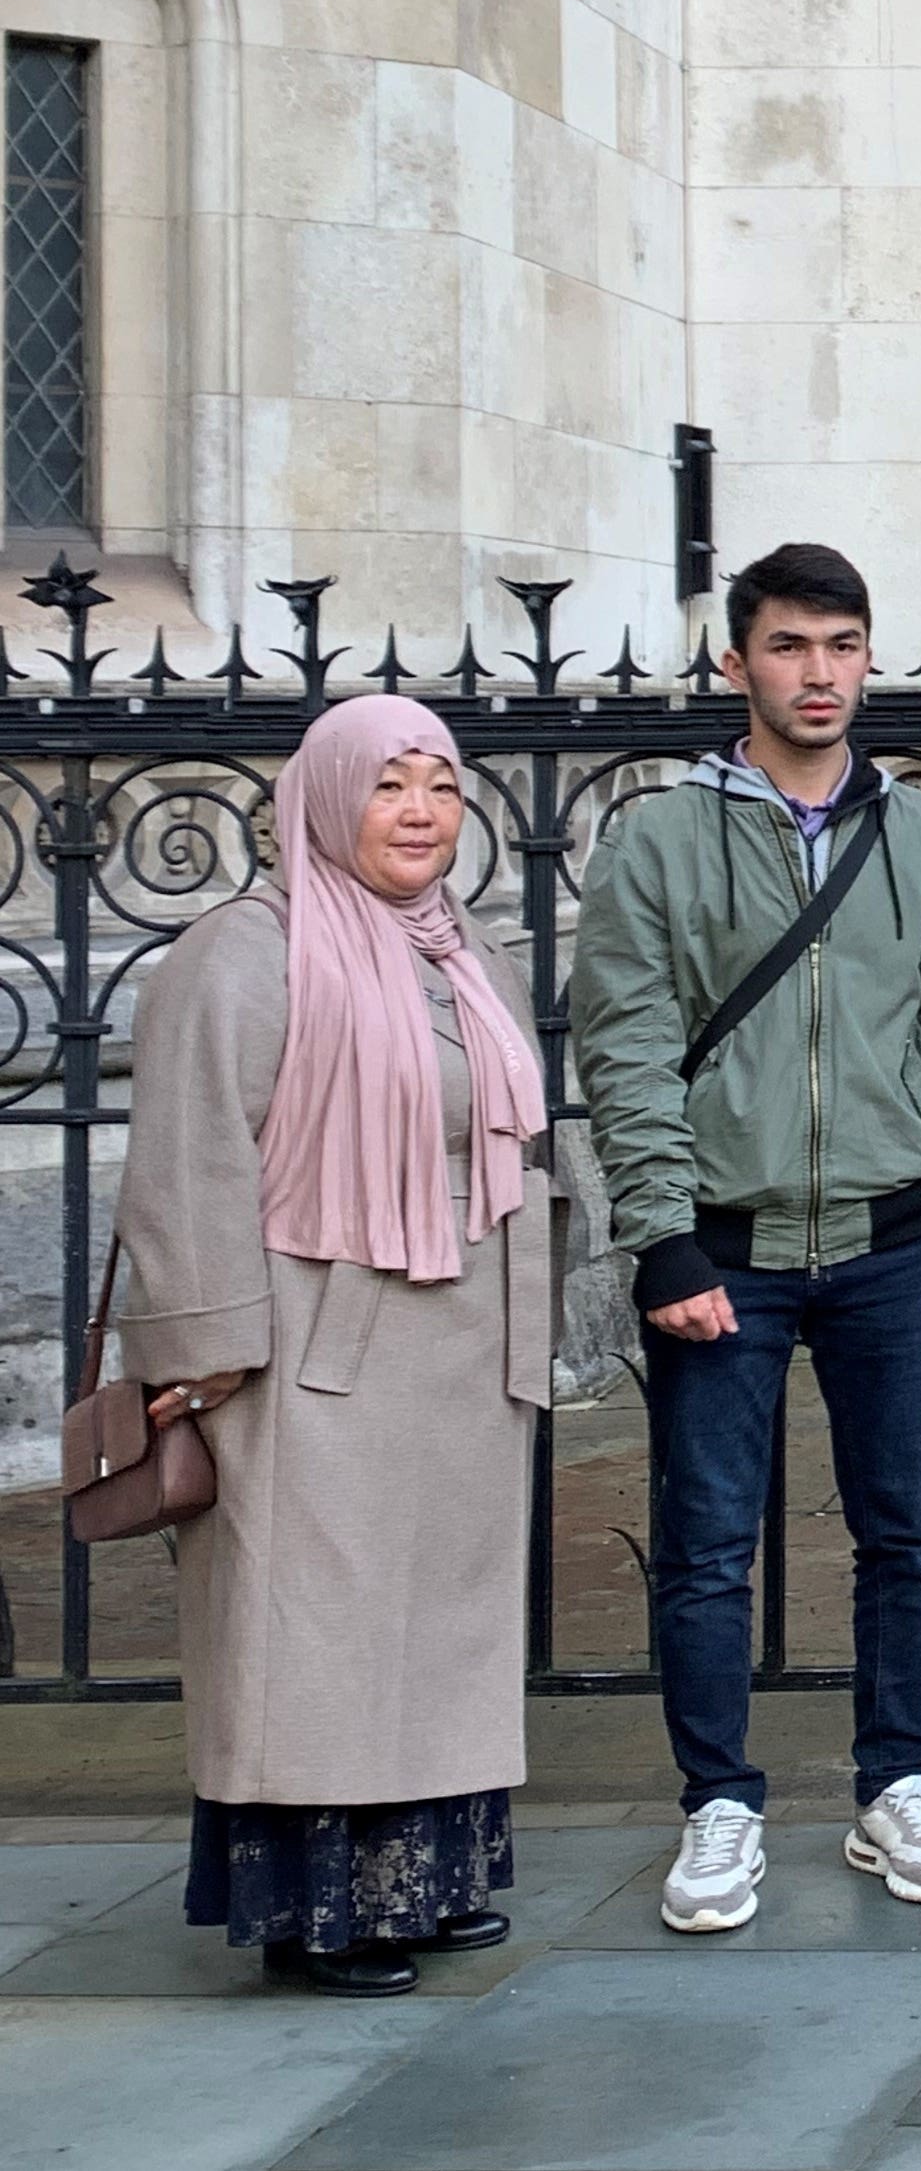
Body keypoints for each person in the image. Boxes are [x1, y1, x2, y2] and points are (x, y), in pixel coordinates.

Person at [569, 543, 921, 1932]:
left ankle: (899, 1780)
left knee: (908, 1530)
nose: (817, 673)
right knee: (707, 1540)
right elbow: (627, 1047)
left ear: (866, 657)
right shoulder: (659, 839)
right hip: (728, 1242)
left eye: (840, 645)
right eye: (787, 646)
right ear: (736, 662)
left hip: (893, 1235)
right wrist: (659, 1236)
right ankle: (720, 1799)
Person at [117, 696, 552, 1996]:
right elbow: (187, 1163)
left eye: (440, 784)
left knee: (437, 1631)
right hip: (312, 1362)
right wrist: (209, 1353)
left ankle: (427, 1877)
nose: (420, 810)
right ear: (323, 800)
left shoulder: (468, 948)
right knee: (317, 1640)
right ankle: (320, 1912)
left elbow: (516, 1138)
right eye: (388, 785)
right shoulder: (242, 955)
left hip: (460, 1355)